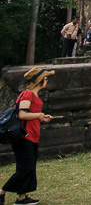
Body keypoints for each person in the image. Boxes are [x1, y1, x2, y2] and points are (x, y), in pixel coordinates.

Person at [0, 67, 54, 205]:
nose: (47, 81)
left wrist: (42, 118)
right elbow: (22, 114)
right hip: (24, 136)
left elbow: (29, 114)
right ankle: (2, 191)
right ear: (40, 81)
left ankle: (21, 198)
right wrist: (39, 115)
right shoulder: (27, 94)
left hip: (32, 134)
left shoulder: (33, 95)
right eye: (46, 78)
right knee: (26, 167)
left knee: (27, 166)